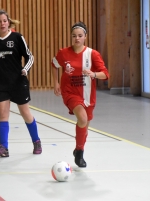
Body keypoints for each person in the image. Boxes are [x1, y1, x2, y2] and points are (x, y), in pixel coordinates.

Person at [0, 9, 42, 157]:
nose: (2, 23)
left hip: (18, 82)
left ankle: (36, 141)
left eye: (4, 21)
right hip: (0, 84)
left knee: (26, 113)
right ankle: (4, 148)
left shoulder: (17, 37)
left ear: (9, 22)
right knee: (3, 115)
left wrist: (25, 69)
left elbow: (30, 57)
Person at [52, 22, 109, 167]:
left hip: (88, 95)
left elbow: (105, 74)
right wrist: (56, 83)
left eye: (80, 36)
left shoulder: (93, 54)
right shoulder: (63, 53)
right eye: (74, 36)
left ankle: (79, 150)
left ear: (85, 37)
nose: (77, 38)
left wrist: (94, 74)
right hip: (70, 92)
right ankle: (80, 154)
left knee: (85, 125)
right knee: (82, 119)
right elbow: (54, 65)